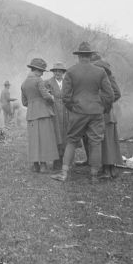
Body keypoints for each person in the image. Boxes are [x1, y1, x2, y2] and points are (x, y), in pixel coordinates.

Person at [52, 42, 114, 183]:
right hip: (96, 112)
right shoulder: (100, 71)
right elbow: (109, 95)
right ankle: (94, 176)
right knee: (96, 142)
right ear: (91, 56)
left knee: (72, 140)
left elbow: (65, 97)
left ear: (79, 56)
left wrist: (73, 108)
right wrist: (103, 108)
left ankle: (64, 174)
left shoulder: (71, 71)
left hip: (78, 111)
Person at [21, 58, 59, 173]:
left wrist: (33, 103)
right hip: (43, 113)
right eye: (42, 71)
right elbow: (46, 96)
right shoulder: (39, 80)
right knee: (44, 139)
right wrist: (52, 98)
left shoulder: (24, 83)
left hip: (31, 114)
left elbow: (24, 102)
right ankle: (43, 166)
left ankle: (35, 165)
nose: (42, 73)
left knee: (34, 140)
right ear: (37, 70)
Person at [91, 55, 123, 179]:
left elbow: (117, 93)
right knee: (108, 142)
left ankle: (108, 170)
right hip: (106, 113)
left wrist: (103, 102)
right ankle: (110, 169)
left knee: (106, 142)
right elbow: (116, 94)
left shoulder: (105, 77)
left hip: (104, 113)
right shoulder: (105, 77)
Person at [45, 62, 69, 170]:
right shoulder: (48, 83)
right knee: (56, 134)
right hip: (54, 112)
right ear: (53, 72)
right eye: (55, 71)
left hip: (66, 111)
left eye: (60, 71)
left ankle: (64, 159)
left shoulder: (67, 83)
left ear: (63, 73)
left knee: (65, 134)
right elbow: (45, 96)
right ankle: (56, 160)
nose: (57, 73)